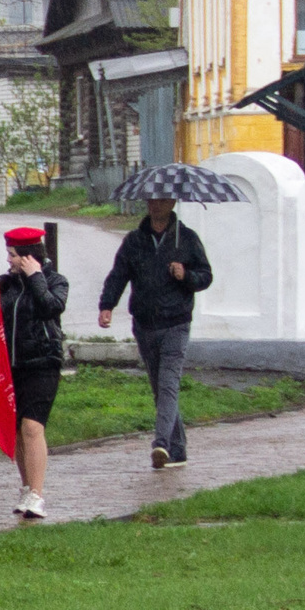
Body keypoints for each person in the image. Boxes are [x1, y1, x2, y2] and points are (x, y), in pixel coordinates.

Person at [97, 195, 212, 470]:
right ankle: (178, 449)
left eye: (160, 201)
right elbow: (118, 275)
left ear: (172, 203)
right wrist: (107, 305)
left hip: (176, 322)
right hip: (145, 324)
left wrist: (186, 275)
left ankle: (160, 444)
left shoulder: (186, 239)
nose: (154, 205)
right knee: (159, 387)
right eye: (150, 200)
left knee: (168, 383)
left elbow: (206, 276)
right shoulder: (134, 241)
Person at [0, 225, 69, 520]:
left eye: (13, 255)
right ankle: (26, 488)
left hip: (43, 362)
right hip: (11, 366)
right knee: (18, 430)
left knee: (32, 427)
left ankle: (37, 495)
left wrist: (36, 278)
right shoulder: (4, 284)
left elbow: (52, 307)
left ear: (29, 257)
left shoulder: (55, 280)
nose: (9, 261)